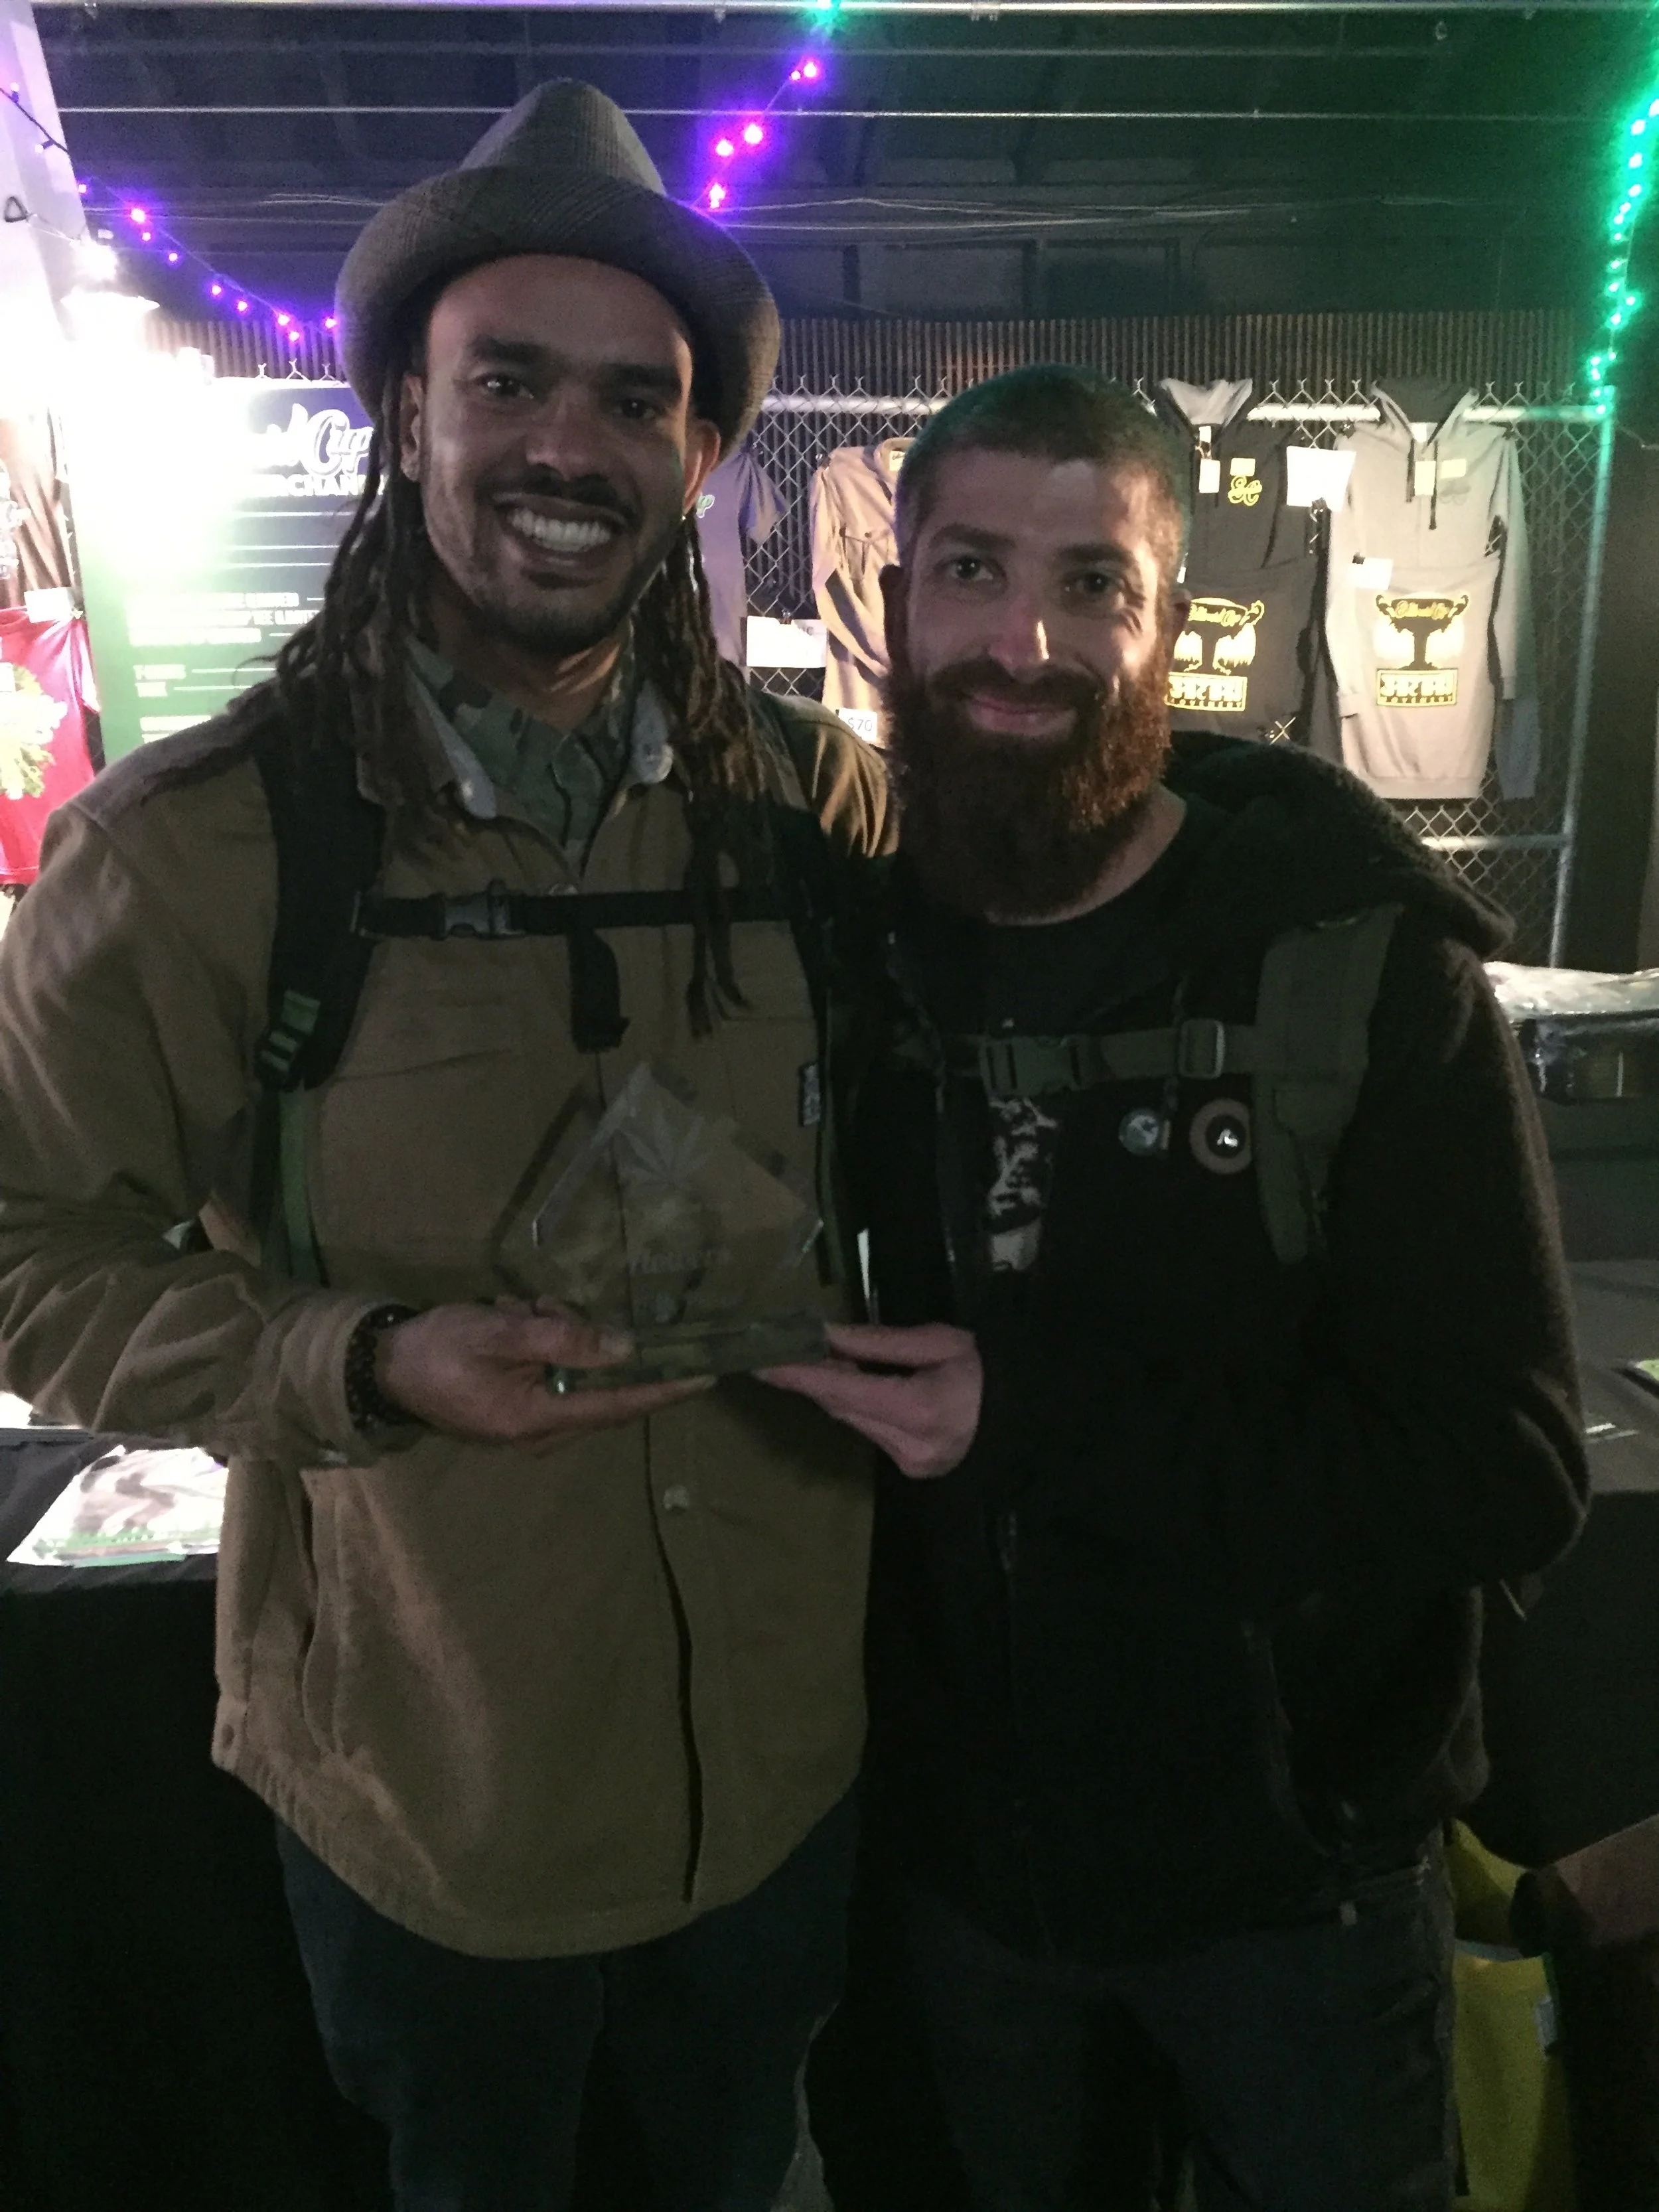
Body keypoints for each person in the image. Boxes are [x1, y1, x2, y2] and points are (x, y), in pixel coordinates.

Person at [0, 83, 891, 2212]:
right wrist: (364, 1358)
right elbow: (25, 1257)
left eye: (633, 399)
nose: (566, 444)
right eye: (507, 380)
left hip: (783, 1766)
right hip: (437, 1790)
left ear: (696, 454)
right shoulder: (198, 853)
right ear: (408, 412)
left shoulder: (814, 809)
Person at [762, 366, 1589, 2211]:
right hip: (961, 1881)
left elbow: (1507, 1469)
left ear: (1168, 622)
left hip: (1293, 1893)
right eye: (971, 571)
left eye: (1093, 584)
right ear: (896, 600)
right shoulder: (854, 960)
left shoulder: (1355, 968)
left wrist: (1029, 1420)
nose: (1022, 642)